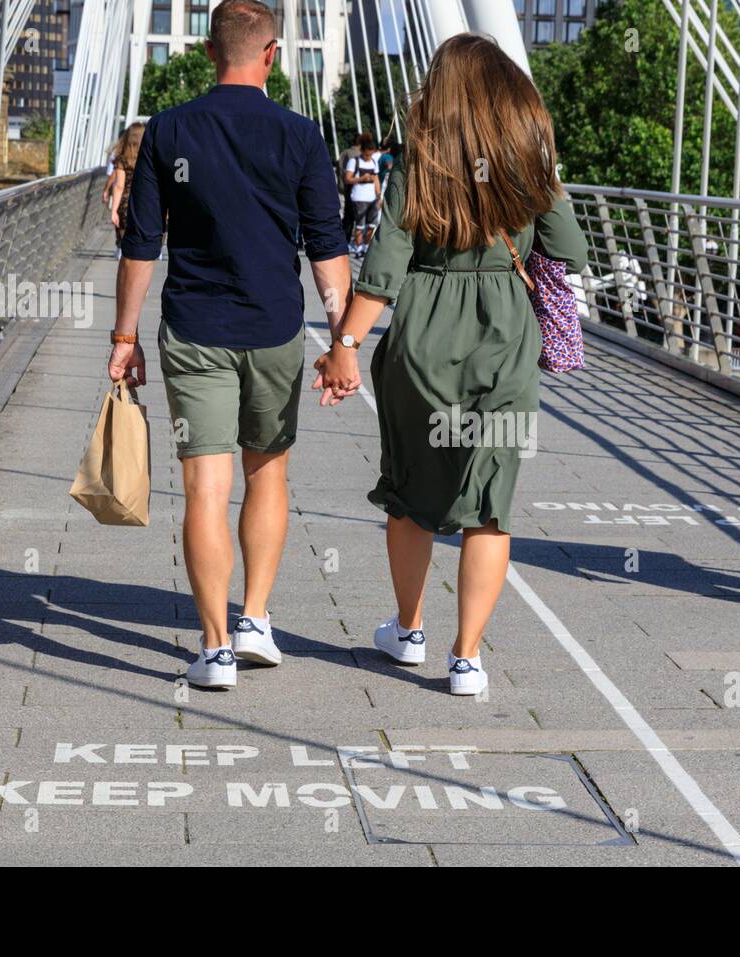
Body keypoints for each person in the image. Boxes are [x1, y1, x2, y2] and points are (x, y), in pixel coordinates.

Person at [314, 33, 588, 696]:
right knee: (490, 503)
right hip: (506, 339)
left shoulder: (420, 159)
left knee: (409, 495)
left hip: (425, 333)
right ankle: (467, 658)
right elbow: (571, 251)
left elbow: (383, 268)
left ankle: (409, 631)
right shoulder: (530, 157)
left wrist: (344, 349)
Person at [108, 0, 352, 689]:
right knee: (266, 475)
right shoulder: (302, 137)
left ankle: (214, 649)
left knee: (203, 489)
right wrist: (343, 340)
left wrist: (125, 337)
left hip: (193, 330)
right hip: (276, 329)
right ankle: (256, 618)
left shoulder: (168, 131)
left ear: (210, 53)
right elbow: (328, 250)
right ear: (272, 54)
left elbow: (140, 245)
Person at [106, 123, 145, 258]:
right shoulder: (148, 159)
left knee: (123, 227)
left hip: (126, 202)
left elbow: (119, 186)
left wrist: (114, 210)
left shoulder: (122, 160)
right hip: (144, 201)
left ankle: (122, 249)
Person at [344, 133, 381, 256]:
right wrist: (361, 179)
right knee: (360, 225)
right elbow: (347, 179)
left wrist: (379, 195)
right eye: (366, 155)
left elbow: (376, 180)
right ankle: (358, 247)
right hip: (359, 197)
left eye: (370, 154)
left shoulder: (373, 162)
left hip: (372, 198)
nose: (368, 157)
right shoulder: (354, 162)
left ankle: (366, 247)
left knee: (371, 224)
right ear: (362, 151)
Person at [337, 133, 362, 250]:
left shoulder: (346, 153)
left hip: (350, 188)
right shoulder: (365, 154)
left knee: (348, 216)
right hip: (363, 188)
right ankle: (360, 243)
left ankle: (345, 239)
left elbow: (340, 170)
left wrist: (341, 186)